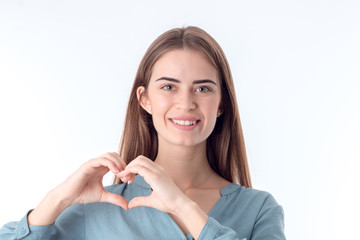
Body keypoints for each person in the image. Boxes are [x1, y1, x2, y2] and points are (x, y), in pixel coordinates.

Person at [0, 26, 285, 240]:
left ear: (222, 103)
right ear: (144, 99)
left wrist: (182, 207)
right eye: (168, 87)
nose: (186, 103)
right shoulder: (98, 207)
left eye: (203, 88)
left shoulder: (259, 209)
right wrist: (57, 199)